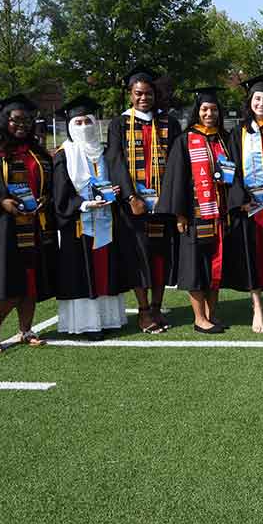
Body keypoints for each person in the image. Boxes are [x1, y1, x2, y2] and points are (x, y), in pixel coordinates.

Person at [0, 94, 57, 354]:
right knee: (4, 284)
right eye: (16, 120)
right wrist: (1, 202)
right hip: (1, 229)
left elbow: (47, 185)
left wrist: (46, 198)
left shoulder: (37, 154)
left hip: (34, 225)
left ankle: (25, 329)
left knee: (31, 280)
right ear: (4, 121)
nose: (22, 125)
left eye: (27, 120)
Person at [106, 65, 182, 333]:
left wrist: (171, 198)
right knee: (139, 257)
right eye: (138, 93)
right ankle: (143, 310)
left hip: (162, 204)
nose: (143, 98)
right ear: (130, 95)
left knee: (160, 256)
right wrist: (129, 196)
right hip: (134, 205)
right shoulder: (119, 124)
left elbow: (176, 161)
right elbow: (115, 161)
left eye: (148, 93)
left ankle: (158, 308)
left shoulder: (168, 122)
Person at [53, 95, 135, 340]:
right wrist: (84, 203)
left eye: (87, 121)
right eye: (77, 123)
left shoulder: (105, 152)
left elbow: (117, 179)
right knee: (83, 273)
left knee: (107, 270)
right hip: (79, 226)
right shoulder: (63, 155)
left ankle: (109, 319)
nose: (84, 127)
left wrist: (117, 191)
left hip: (108, 224)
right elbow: (60, 194)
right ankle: (87, 325)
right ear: (69, 127)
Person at [156, 88, 233, 334]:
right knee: (195, 267)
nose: (210, 113)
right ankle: (199, 318)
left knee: (214, 266)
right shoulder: (186, 140)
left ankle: (211, 314)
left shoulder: (224, 139)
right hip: (194, 214)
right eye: (205, 109)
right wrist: (179, 214)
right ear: (197, 112)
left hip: (220, 213)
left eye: (214, 109)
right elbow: (176, 178)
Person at [225, 74, 263, 333]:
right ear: (250, 101)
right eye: (257, 98)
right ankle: (257, 308)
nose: (262, 103)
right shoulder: (237, 133)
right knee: (253, 258)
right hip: (250, 206)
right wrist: (240, 199)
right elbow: (230, 170)